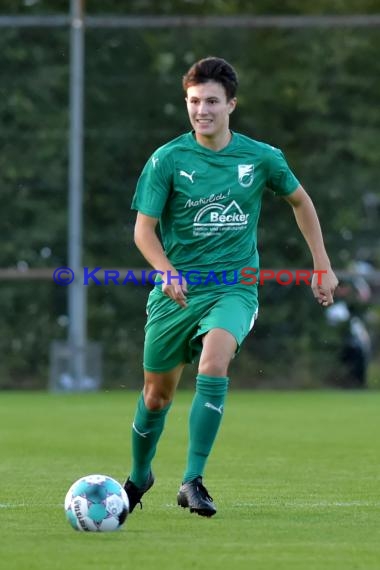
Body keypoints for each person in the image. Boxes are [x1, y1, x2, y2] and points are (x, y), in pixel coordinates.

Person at [124, 56, 338, 517]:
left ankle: (192, 480)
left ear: (231, 105)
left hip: (235, 288)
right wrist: (166, 269)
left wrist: (321, 263)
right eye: (194, 101)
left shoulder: (261, 158)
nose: (202, 110)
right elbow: (144, 231)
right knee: (156, 396)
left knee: (215, 362)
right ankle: (140, 475)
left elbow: (300, 201)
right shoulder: (168, 159)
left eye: (212, 102)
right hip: (175, 294)